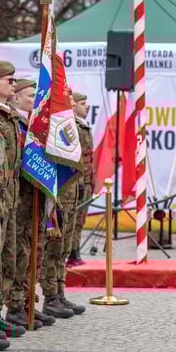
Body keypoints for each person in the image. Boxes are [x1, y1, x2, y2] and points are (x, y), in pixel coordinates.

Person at [5, 79, 54, 330]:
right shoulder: (17, 124)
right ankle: (16, 306)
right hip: (20, 197)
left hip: (30, 197)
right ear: (15, 98)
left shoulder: (32, 124)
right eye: (28, 95)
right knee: (20, 253)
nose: (34, 99)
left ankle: (27, 303)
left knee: (32, 250)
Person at [38, 83, 86, 319]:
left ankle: (59, 291)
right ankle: (50, 297)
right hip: (57, 196)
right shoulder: (52, 126)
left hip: (71, 195)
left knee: (64, 249)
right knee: (53, 249)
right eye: (64, 96)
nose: (69, 99)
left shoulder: (70, 124)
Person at [0, 61, 26, 341]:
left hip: (9, 199)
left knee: (6, 260)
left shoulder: (9, 116)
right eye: (9, 80)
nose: (13, 85)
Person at [68, 92, 94, 264]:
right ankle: (72, 252)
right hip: (78, 179)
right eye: (83, 103)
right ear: (74, 105)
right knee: (74, 218)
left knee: (80, 218)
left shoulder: (83, 126)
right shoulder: (74, 127)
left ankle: (74, 250)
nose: (86, 107)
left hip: (87, 178)